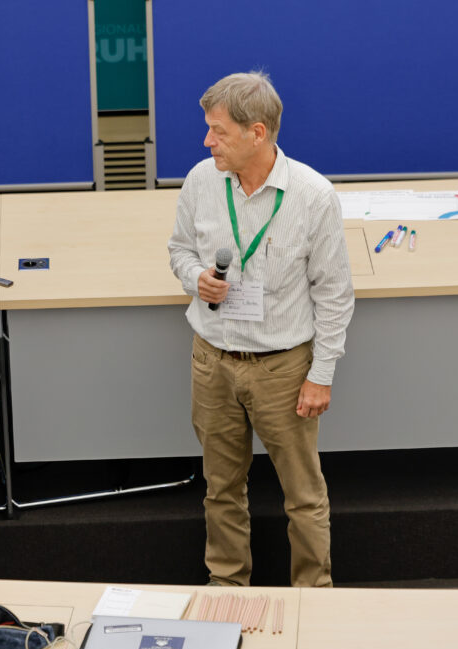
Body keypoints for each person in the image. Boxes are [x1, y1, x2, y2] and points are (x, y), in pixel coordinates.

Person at [168, 72, 354, 588]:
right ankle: (227, 590)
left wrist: (322, 374)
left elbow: (335, 293)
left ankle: (313, 597)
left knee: (303, 494)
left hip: (283, 370)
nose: (207, 142)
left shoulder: (313, 196)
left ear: (257, 133)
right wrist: (194, 277)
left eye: (218, 131)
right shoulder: (201, 181)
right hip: (212, 361)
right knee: (220, 490)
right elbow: (179, 249)